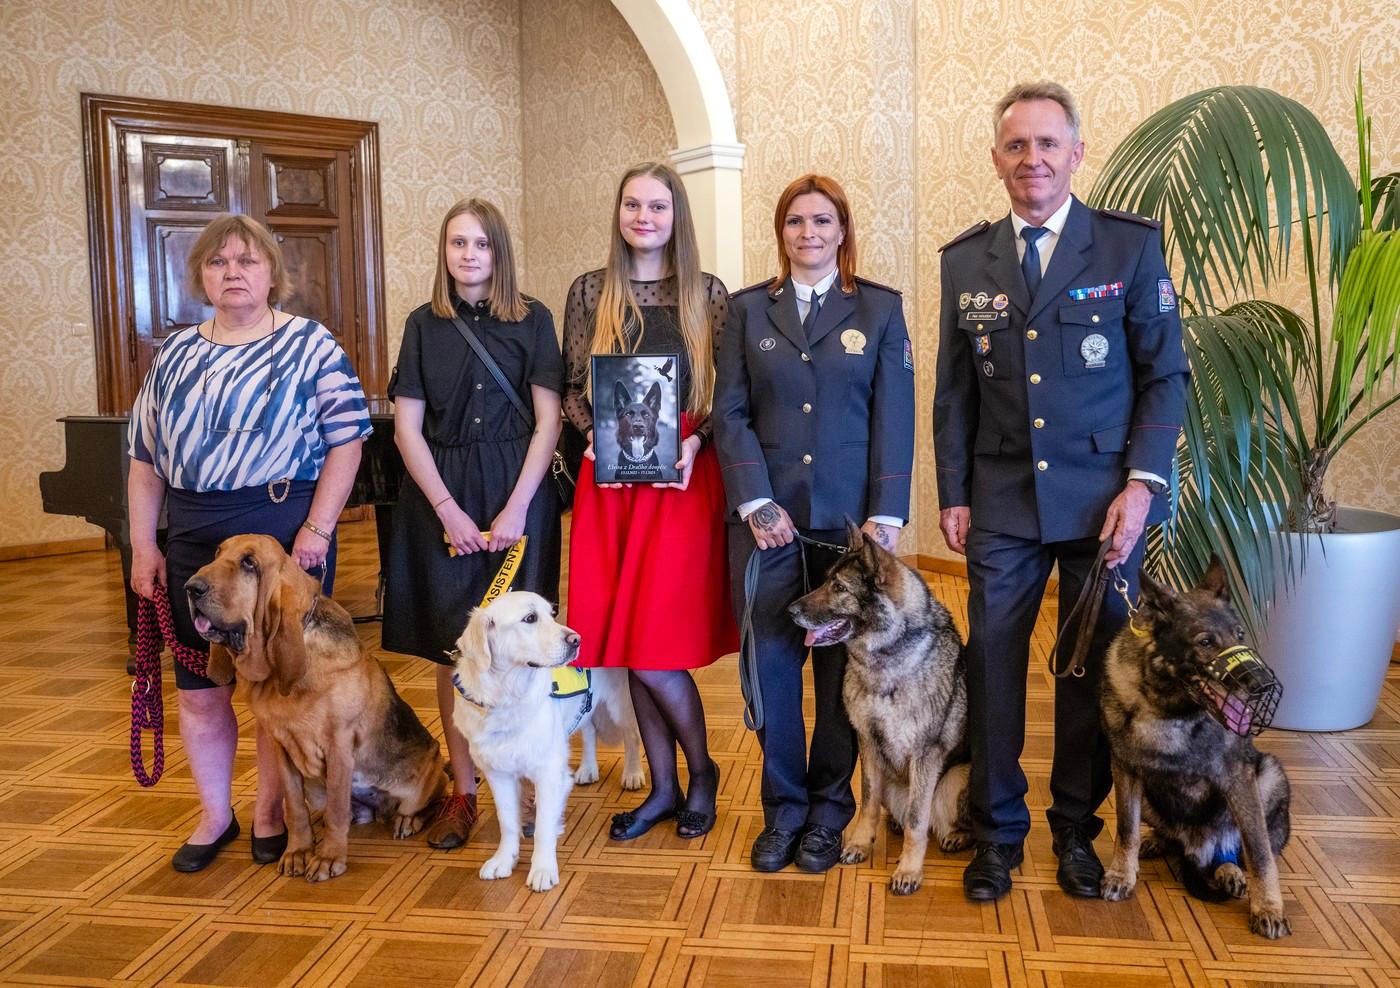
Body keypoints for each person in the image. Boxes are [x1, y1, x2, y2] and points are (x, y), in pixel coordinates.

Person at [933, 81, 1189, 902]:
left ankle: (1076, 831)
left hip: (1101, 503)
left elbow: (1165, 376)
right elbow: (953, 393)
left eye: (1048, 144)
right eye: (1016, 145)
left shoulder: (1125, 249)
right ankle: (997, 835)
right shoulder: (965, 260)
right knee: (995, 664)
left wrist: (1142, 487)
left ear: (1077, 154)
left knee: (1089, 674)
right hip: (1002, 497)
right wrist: (954, 493)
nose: (1032, 159)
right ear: (996, 157)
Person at [127, 214, 371, 872]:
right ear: (201, 275)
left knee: (279, 687)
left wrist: (317, 529)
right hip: (193, 534)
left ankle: (273, 812)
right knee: (200, 690)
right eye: (218, 262)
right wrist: (144, 546)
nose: (233, 272)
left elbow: (348, 441)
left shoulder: (310, 345)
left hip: (279, 536)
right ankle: (216, 816)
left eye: (247, 261)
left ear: (272, 274)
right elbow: (145, 460)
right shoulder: (174, 355)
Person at [714, 174, 915, 874]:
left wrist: (885, 516)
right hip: (768, 526)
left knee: (837, 680)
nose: (808, 233)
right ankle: (784, 811)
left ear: (842, 230)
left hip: (845, 533)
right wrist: (753, 500)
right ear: (782, 233)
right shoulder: (746, 312)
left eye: (822, 221)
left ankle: (830, 813)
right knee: (771, 670)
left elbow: (895, 415)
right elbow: (730, 414)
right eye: (796, 222)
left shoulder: (881, 311)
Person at [382, 197, 564, 850]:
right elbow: (406, 428)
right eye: (458, 243)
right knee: (453, 649)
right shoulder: (421, 325)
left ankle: (538, 775)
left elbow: (549, 421)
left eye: (481, 244)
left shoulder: (534, 319)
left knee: (527, 641)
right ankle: (464, 791)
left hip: (521, 493)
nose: (468, 255)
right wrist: (448, 511)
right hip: (443, 497)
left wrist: (518, 505)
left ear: (499, 253)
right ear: (445, 252)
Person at [563, 162, 736, 842]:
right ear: (619, 212)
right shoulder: (589, 292)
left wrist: (699, 446)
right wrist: (592, 437)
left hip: (682, 480)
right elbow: (573, 384)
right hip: (610, 485)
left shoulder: (709, 294)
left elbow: (730, 395)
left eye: (658, 206)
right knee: (631, 645)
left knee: (659, 649)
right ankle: (663, 788)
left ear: (676, 216)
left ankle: (701, 772)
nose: (644, 216)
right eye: (632, 204)